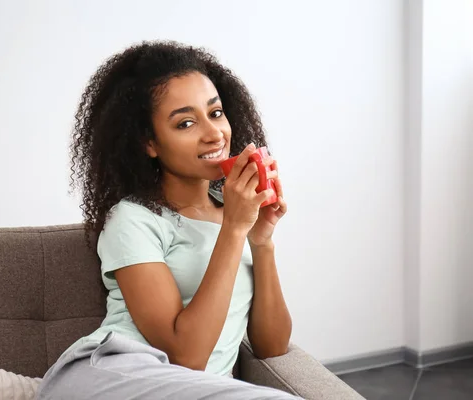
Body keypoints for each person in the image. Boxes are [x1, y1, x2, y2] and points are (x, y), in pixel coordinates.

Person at [36, 41, 296, 400]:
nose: (214, 133)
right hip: (116, 372)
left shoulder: (235, 214)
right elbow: (186, 357)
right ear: (149, 143)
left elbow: (272, 347)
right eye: (186, 122)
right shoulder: (132, 219)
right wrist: (234, 230)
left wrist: (261, 241)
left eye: (216, 113)